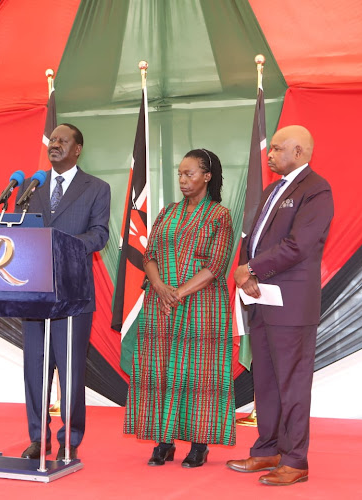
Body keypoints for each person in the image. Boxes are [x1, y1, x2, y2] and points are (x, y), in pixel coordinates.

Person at [227, 125, 334, 486]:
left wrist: (251, 268)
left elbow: (299, 244)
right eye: (270, 149)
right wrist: (248, 273)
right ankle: (268, 450)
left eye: (276, 149)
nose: (269, 155)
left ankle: (295, 459)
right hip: (261, 299)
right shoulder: (275, 188)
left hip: (291, 303)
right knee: (267, 381)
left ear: (299, 153)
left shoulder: (316, 189)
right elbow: (253, 238)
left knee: (292, 382)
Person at [124, 148, 236, 468]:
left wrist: (179, 293)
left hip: (201, 305)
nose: (183, 180)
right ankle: (164, 441)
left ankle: (199, 445)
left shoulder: (219, 215)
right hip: (161, 303)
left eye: (190, 174)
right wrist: (160, 287)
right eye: (180, 174)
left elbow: (216, 265)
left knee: (198, 375)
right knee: (159, 371)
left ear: (207, 176)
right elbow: (149, 256)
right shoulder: (167, 212)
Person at [17, 123, 110, 461]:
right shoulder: (31, 186)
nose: (54, 144)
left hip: (72, 293)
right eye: (51, 140)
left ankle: (69, 440)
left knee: (70, 372)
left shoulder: (96, 188)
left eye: (62, 140)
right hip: (33, 293)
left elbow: (99, 235)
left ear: (78, 149)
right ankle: (36, 437)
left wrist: (60, 245)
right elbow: (18, 228)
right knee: (35, 368)